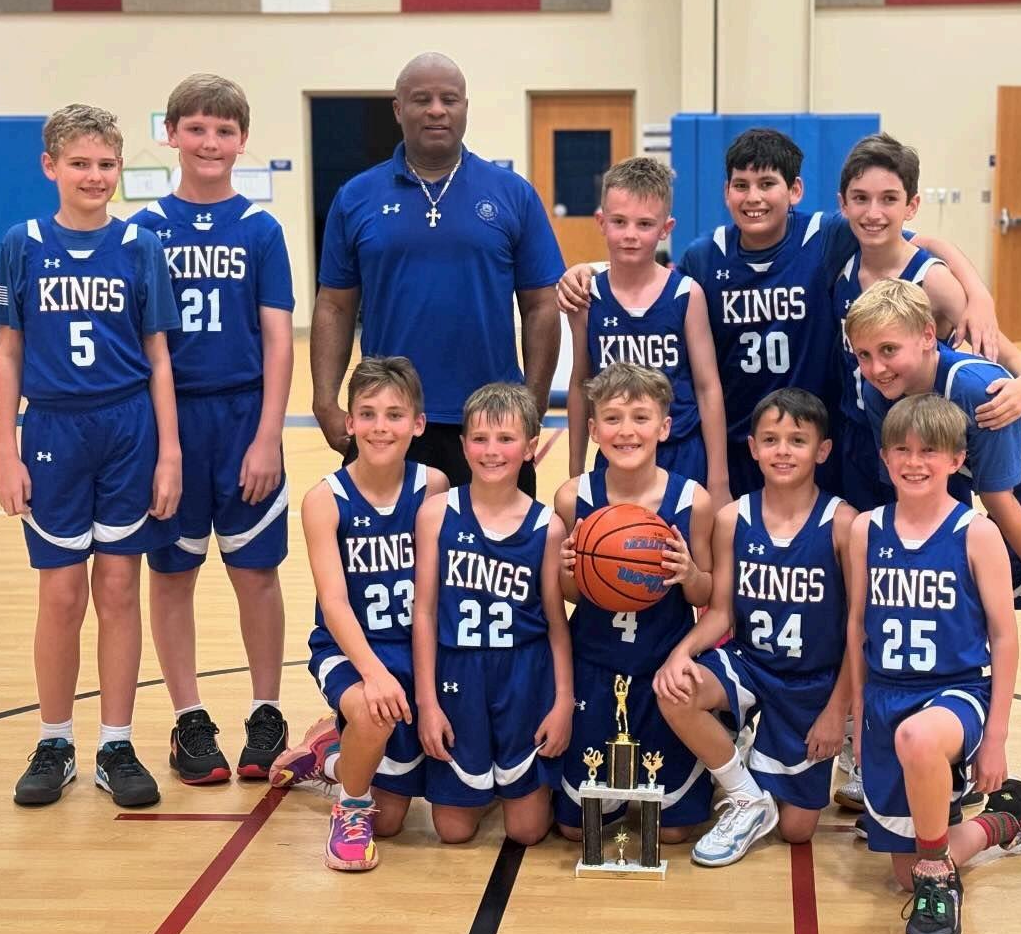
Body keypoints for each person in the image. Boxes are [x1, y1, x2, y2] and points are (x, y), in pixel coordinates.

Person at [848, 279, 1021, 888]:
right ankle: (987, 800)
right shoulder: (879, 391)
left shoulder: (975, 388)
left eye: (888, 351)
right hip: (1007, 512)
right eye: (864, 355)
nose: (876, 367)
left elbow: (997, 497)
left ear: (928, 338)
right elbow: (944, 490)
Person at [556, 127, 1002, 497]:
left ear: (795, 190)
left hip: (816, 437)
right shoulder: (704, 257)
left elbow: (913, 241)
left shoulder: (824, 235)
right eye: (741, 185)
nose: (754, 197)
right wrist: (586, 272)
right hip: (737, 439)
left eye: (767, 184)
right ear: (726, 192)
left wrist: (979, 295)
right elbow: (649, 288)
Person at [829, 132, 1021, 810]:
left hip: (966, 442)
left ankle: (956, 733)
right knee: (880, 598)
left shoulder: (933, 291)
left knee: (952, 582)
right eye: (860, 199)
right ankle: (880, 743)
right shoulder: (839, 257)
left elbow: (995, 351)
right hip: (887, 447)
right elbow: (928, 239)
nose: (873, 211)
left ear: (910, 203)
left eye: (889, 199)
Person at [0, 104, 180, 808]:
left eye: (105, 164)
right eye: (79, 163)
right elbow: (9, 354)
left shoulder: (139, 245)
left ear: (120, 168)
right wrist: (5, 451)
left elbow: (159, 357)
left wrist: (169, 453)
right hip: (52, 431)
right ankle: (54, 740)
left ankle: (116, 743)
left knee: (120, 589)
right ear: (51, 167)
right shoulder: (23, 244)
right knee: (62, 593)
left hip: (128, 428)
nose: (94, 176)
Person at [846, 393, 1021, 934]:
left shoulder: (976, 533)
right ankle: (1004, 822)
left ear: (957, 459)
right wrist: (856, 715)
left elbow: (1004, 636)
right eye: (902, 450)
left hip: (955, 693)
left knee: (918, 739)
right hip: (885, 696)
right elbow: (856, 627)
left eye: (929, 451)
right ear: (884, 457)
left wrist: (997, 737)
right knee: (903, 874)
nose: (914, 462)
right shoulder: (866, 530)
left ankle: (940, 883)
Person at [129, 74, 294, 784]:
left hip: (242, 415)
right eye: (195, 128)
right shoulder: (143, 230)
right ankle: (189, 718)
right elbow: (142, 344)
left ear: (242, 140)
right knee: (173, 572)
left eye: (224, 130)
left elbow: (279, 341)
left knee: (256, 572)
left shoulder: (260, 229)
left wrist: (268, 436)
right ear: (170, 134)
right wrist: (161, 447)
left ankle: (266, 709)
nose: (209, 142)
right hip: (170, 421)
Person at [311, 52, 562, 496]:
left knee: (497, 543)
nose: (436, 110)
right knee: (384, 544)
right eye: (421, 99)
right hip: (390, 420)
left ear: (465, 107)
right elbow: (334, 306)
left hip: (491, 423)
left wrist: (534, 403)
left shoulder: (512, 194)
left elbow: (541, 305)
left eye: (449, 99)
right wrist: (324, 400)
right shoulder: (356, 197)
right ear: (397, 109)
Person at [654, 389, 854, 866]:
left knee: (797, 830)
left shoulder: (843, 523)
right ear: (753, 447)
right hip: (749, 664)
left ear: (822, 450)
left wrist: (837, 711)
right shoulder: (732, 519)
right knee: (675, 690)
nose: (783, 450)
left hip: (811, 681)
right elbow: (721, 613)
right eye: (770, 439)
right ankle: (745, 795)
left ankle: (754, 756)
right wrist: (681, 653)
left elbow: (858, 628)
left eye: (797, 440)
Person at [278, 358, 450, 870]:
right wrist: (373, 673)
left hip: (417, 646)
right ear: (349, 422)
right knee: (375, 714)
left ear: (418, 424)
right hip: (349, 649)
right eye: (368, 414)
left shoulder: (433, 487)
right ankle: (350, 810)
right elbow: (333, 603)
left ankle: (329, 755)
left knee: (394, 819)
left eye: (395, 415)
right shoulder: (324, 500)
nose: (381, 427)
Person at [554, 363, 715, 841]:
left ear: (664, 427)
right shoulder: (573, 497)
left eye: (641, 418)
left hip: (661, 666)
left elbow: (705, 594)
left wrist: (689, 574)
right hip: (595, 663)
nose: (626, 431)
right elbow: (570, 596)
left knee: (671, 832)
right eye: (613, 418)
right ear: (593, 429)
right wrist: (569, 572)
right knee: (575, 830)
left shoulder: (692, 500)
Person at [412, 383, 573, 844]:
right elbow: (424, 613)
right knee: (453, 832)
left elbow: (556, 623)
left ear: (530, 447)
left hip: (524, 675)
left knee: (527, 832)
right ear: (463, 445)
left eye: (506, 439)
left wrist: (563, 701)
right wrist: (427, 704)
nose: (492, 451)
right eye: (480, 439)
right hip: (457, 672)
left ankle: (510, 784)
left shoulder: (547, 527)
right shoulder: (437, 513)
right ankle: (487, 782)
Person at [566, 157, 728, 501]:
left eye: (644, 224)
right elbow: (581, 384)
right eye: (619, 222)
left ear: (666, 228)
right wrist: (575, 471)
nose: (630, 235)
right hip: (616, 451)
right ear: (601, 222)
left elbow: (707, 387)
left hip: (682, 451)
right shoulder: (587, 297)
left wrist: (719, 480)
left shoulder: (686, 295)